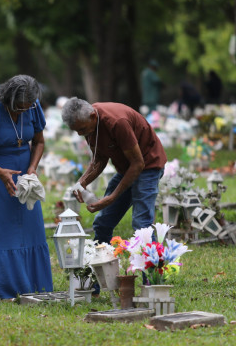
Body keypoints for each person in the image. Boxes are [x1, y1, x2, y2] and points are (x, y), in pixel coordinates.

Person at [0, 75, 52, 300]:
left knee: (30, 228)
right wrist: (0, 172)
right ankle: (4, 287)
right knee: (1, 230)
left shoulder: (33, 106)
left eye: (27, 106)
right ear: (8, 99)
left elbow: (39, 141)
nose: (23, 110)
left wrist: (32, 168)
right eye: (19, 107)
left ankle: (34, 284)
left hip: (24, 171)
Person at [61, 97, 166, 246]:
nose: (80, 134)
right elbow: (99, 159)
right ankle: (101, 257)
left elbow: (138, 164)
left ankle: (152, 260)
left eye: (82, 129)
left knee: (141, 224)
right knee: (103, 221)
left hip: (148, 165)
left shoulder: (117, 122)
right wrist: (82, 182)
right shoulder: (90, 124)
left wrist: (112, 197)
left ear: (93, 116)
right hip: (127, 168)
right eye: (76, 130)